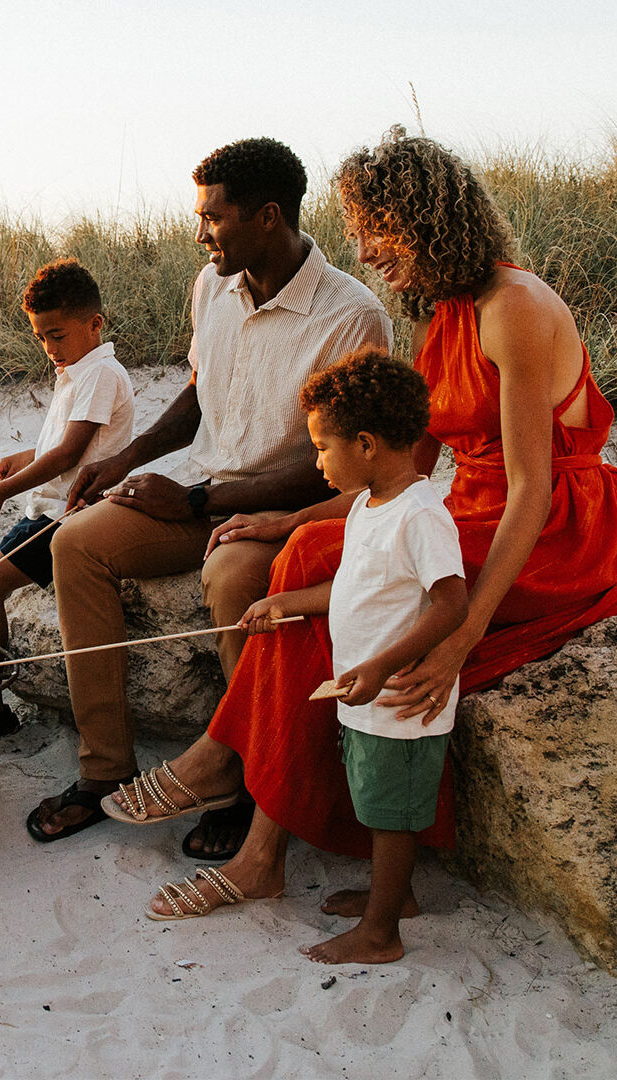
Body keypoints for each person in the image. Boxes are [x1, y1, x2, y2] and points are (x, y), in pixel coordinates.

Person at [114, 128, 617, 931]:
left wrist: (460, 636)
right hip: (467, 508)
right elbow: (407, 478)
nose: (365, 252)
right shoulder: (449, 318)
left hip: (548, 533)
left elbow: (532, 491)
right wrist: (290, 515)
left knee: (358, 593)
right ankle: (244, 787)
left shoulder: (515, 308)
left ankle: (250, 826)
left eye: (377, 230)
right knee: (301, 555)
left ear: (426, 219)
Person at [26, 138, 390, 844]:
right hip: (210, 491)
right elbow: (201, 389)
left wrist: (195, 503)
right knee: (76, 543)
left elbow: (341, 463)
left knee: (230, 580)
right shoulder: (210, 286)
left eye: (214, 218)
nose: (200, 235)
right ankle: (104, 767)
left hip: (291, 515)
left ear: (268, 218)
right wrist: (129, 457)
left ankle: (246, 786)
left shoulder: (353, 316)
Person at [149, 350, 466, 970]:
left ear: (368, 444)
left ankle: (381, 933)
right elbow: (356, 588)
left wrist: (381, 666)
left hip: (396, 697)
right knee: (376, 801)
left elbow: (450, 603)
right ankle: (391, 900)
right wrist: (285, 600)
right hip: (364, 693)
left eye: (323, 447)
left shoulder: (422, 514)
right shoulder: (370, 506)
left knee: (390, 813)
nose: (317, 462)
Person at [0, 259, 134, 676]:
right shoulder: (76, 372)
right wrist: (24, 458)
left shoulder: (100, 374)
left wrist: (0, 492)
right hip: (47, 513)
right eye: (41, 337)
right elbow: (60, 445)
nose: (49, 348)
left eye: (57, 335)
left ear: (95, 324)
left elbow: (69, 455)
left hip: (68, 516)